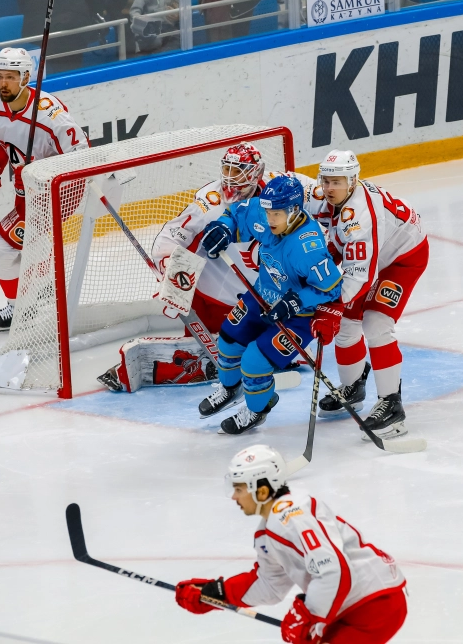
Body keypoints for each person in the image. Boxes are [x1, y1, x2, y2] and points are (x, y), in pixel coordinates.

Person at [95, 142, 316, 393]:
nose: (231, 178)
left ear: (256, 173)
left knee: (279, 346)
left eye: (239, 170)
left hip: (256, 293)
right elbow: (171, 236)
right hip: (207, 293)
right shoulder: (210, 203)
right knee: (215, 351)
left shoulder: (277, 189)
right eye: (228, 170)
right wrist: (171, 270)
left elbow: (318, 193)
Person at [175, 445, 408, 643]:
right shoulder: (268, 532)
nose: (234, 497)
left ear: (262, 490)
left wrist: (309, 616)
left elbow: (333, 570)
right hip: (353, 605)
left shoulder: (290, 514)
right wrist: (215, 594)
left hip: (374, 604)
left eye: (238, 489)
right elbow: (270, 585)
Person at [197, 174, 343, 434]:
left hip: (299, 316)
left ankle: (257, 409)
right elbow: (236, 214)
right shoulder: (264, 212)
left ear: (295, 210)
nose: (269, 219)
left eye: (276, 214)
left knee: (254, 362)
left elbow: (331, 288)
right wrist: (223, 228)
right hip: (263, 295)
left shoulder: (307, 248)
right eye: (268, 212)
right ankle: (231, 389)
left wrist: (297, 301)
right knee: (228, 339)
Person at [302, 150, 428, 440]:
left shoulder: (359, 217)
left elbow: (361, 276)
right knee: (347, 323)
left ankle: (391, 405)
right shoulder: (326, 195)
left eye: (338, 182)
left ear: (353, 180)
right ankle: (353, 386)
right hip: (372, 255)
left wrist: (329, 306)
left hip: (402, 258)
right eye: (326, 181)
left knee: (375, 323)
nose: (330, 188)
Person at [0, 47, 86, 332]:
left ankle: (21, 309)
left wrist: (45, 177)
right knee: (24, 244)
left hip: (58, 192)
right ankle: (45, 287)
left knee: (0, 244)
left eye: (10, 77)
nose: (3, 83)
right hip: (26, 191)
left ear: (25, 77)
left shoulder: (51, 115)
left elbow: (82, 157)